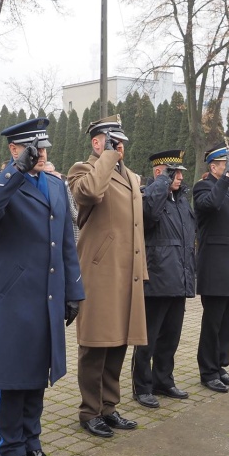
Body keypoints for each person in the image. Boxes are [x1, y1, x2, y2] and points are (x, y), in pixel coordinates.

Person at [0, 118, 84, 456]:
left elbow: (66, 241)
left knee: (38, 373)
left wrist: (73, 292)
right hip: (14, 296)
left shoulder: (53, 183)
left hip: (47, 294)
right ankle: (11, 448)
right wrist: (15, 171)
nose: (42, 154)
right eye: (34, 148)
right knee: (13, 374)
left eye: (45, 148)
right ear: (15, 149)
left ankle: (32, 443)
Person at [67, 116, 148, 438]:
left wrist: (141, 270)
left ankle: (109, 407)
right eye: (112, 141)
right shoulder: (82, 170)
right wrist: (108, 158)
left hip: (127, 272)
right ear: (96, 143)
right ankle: (90, 411)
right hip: (100, 271)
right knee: (96, 344)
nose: (120, 146)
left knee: (119, 342)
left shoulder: (130, 176)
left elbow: (136, 227)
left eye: (121, 142)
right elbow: (87, 195)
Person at [131, 149, 196, 409]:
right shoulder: (149, 195)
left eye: (180, 172)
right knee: (147, 338)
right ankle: (142, 386)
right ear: (159, 173)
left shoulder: (181, 200)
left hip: (178, 279)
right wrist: (161, 184)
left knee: (171, 336)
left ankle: (163, 380)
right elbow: (146, 216)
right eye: (173, 172)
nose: (179, 177)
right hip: (156, 279)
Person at [193, 141, 229, 393]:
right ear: (214, 166)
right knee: (213, 323)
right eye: (226, 164)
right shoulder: (203, 187)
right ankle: (208, 371)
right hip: (215, 268)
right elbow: (210, 205)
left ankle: (220, 365)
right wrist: (224, 180)